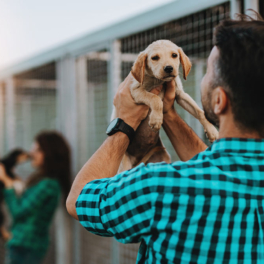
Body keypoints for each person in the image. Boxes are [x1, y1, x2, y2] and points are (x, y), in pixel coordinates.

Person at [67, 13, 264, 263]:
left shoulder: (158, 186)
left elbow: (78, 200)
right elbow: (218, 170)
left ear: (219, 100)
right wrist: (168, 113)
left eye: (208, 74)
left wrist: (124, 124)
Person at [0, 131, 71, 264]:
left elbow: (18, 211)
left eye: (37, 149)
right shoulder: (42, 180)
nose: (32, 153)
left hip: (26, 246)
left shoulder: (49, 184)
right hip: (22, 244)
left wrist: (6, 181)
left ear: (50, 154)